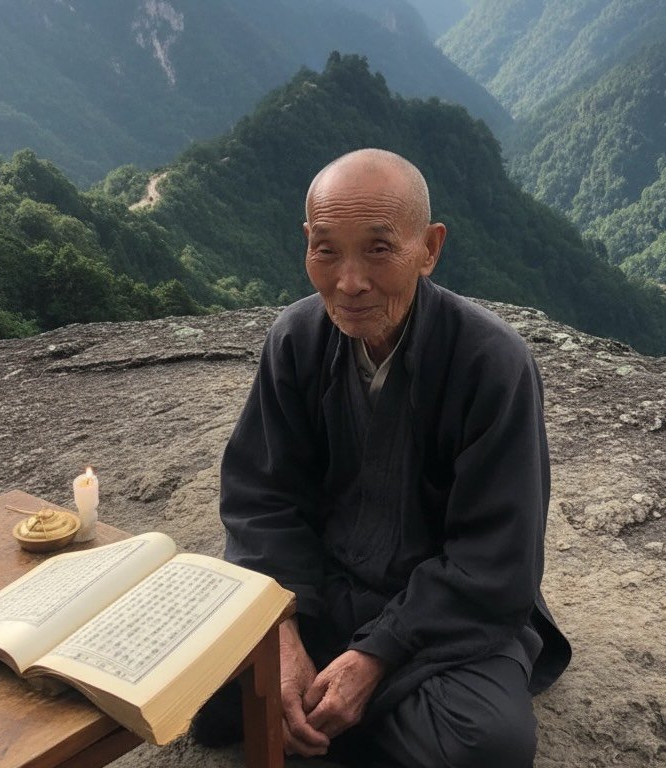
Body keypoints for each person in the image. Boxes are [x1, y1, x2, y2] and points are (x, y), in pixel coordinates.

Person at [196, 148, 571, 766]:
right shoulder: (295, 340)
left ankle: (315, 715)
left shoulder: (491, 362)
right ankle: (328, 708)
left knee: (486, 745)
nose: (349, 282)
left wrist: (375, 657)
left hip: (437, 618)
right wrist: (281, 627)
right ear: (306, 243)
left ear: (429, 248)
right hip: (318, 593)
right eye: (326, 250)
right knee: (191, 689)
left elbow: (495, 558)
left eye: (378, 249)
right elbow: (262, 499)